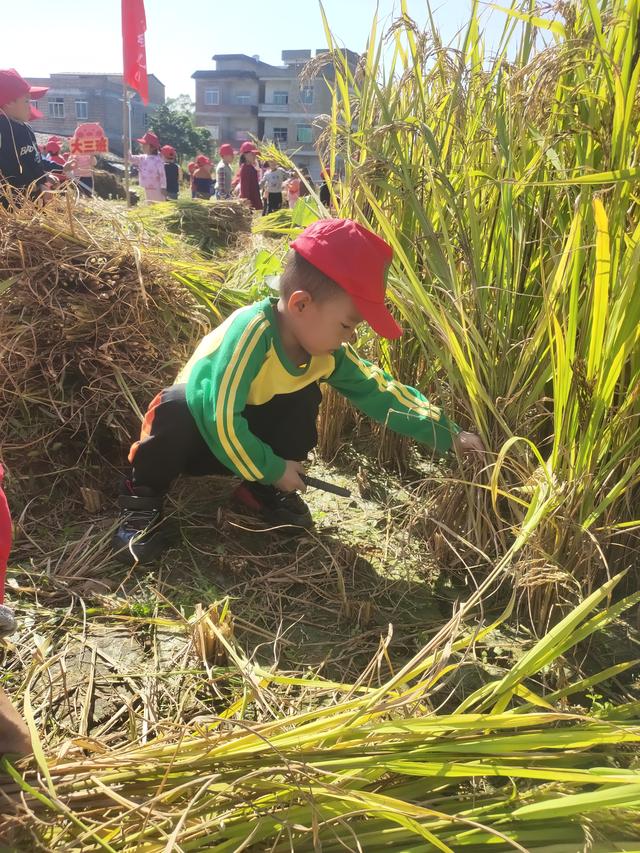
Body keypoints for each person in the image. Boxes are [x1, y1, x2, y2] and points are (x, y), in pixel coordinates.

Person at [112, 217, 484, 564]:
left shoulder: (326, 354)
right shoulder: (250, 334)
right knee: (176, 406)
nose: (349, 338)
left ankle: (258, 491)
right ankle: (142, 499)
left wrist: (448, 433)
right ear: (301, 304)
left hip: (243, 446)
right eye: (346, 325)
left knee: (303, 393)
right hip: (196, 440)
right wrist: (274, 468)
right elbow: (218, 417)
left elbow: (380, 391)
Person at [0, 69, 69, 207]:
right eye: (26, 101)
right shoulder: (3, 129)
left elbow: (33, 159)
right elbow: (10, 168)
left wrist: (44, 176)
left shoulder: (27, 128)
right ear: (7, 103)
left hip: (34, 202)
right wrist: (38, 184)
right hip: (13, 205)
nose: (30, 108)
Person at [130, 131, 166, 203]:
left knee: (158, 204)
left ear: (152, 147)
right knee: (150, 204)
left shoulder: (158, 160)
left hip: (157, 188)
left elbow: (162, 175)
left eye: (144, 144)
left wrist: (163, 187)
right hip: (147, 187)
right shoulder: (142, 158)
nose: (141, 146)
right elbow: (130, 158)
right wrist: (126, 145)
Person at [237, 140, 262, 210]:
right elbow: (244, 188)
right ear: (245, 155)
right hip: (250, 204)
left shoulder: (251, 168)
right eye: (252, 154)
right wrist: (246, 203)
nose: (254, 156)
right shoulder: (245, 169)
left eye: (255, 154)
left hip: (254, 201)